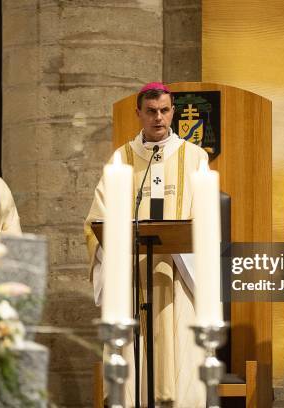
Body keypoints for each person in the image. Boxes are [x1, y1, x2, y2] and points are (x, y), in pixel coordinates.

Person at [84, 82, 207, 407]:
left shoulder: (194, 158)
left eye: (165, 111)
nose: (159, 118)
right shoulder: (121, 160)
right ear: (138, 114)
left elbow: (206, 222)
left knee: (181, 356)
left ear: (173, 112)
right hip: (132, 278)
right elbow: (97, 219)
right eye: (151, 112)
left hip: (179, 278)